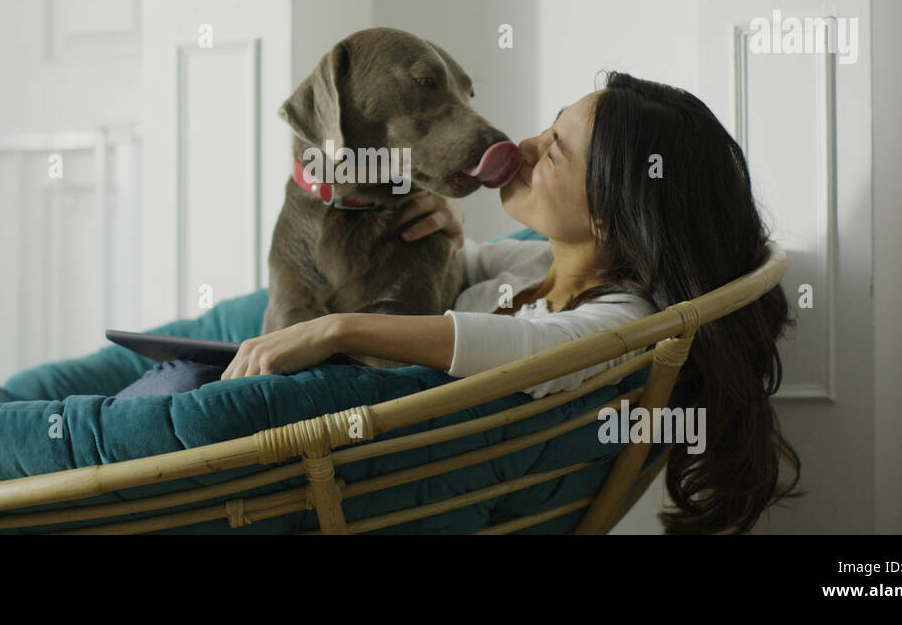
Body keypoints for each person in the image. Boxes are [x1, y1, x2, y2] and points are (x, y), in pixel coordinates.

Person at [140, 72, 802, 533]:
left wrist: (330, 329)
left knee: (176, 392)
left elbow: (527, 349)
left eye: (555, 152)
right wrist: (449, 231)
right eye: (548, 127)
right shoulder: (537, 265)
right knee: (169, 376)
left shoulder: (623, 322)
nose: (523, 146)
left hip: (360, 485)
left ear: (610, 216)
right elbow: (472, 267)